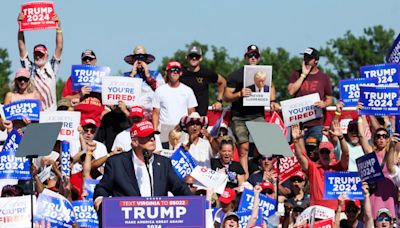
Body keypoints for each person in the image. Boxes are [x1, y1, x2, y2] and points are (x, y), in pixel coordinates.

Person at [93, 120, 191, 221]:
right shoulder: (117, 163)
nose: (152, 139)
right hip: (127, 221)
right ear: (135, 141)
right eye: (147, 137)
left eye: (153, 136)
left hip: (157, 221)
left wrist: (193, 203)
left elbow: (179, 187)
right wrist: (99, 199)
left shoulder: (163, 163)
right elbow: (103, 187)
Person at [223, 44, 279, 178]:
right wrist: (239, 94)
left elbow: (271, 87)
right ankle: (245, 179)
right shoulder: (235, 75)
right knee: (244, 149)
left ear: (258, 58)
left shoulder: (264, 73)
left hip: (257, 116)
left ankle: (265, 176)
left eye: (255, 56)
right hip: (239, 117)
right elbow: (226, 96)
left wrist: (272, 101)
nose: (253, 58)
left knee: (266, 147)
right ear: (245, 57)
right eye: (250, 55)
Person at [291, 120, 349, 210]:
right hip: (317, 212)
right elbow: (300, 157)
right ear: (319, 154)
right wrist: (295, 141)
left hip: (336, 211)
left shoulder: (338, 167)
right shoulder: (313, 168)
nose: (325, 154)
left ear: (332, 153)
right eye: (322, 152)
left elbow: (346, 154)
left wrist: (341, 137)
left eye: (327, 151)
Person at [17, 12, 63, 111]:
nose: (38, 57)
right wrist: (21, 27)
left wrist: (58, 27)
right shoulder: (29, 68)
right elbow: (22, 49)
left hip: (51, 113)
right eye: (36, 54)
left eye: (41, 54)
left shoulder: (52, 66)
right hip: (34, 113)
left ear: (46, 55)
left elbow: (59, 47)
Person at [287, 47, 333, 141]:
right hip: (297, 123)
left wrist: (323, 104)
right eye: (304, 57)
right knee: (297, 152)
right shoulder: (296, 74)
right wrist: (303, 75)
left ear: (316, 61)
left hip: (315, 123)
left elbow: (329, 99)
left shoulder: (324, 77)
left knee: (313, 152)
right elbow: (291, 91)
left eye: (309, 58)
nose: (306, 60)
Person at [180, 45, 226, 116]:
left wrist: (219, 101)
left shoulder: (206, 73)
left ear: (201, 58)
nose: (194, 58)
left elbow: (222, 82)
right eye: (191, 56)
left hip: (201, 115)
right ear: (186, 57)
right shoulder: (180, 72)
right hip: (182, 114)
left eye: (197, 56)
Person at [152, 60, 197, 131]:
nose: (175, 72)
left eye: (178, 70)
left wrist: (188, 129)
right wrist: (154, 130)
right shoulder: (159, 90)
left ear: (181, 73)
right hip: (164, 129)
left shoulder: (188, 90)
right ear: (167, 72)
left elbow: (191, 112)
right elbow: (155, 112)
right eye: (172, 70)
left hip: (182, 129)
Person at [124, 45, 165, 119]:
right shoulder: (126, 76)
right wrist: (132, 75)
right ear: (133, 60)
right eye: (136, 58)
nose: (139, 61)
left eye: (142, 58)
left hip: (152, 116)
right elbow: (123, 93)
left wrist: (148, 76)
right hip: (133, 116)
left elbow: (162, 92)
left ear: (146, 60)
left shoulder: (156, 75)